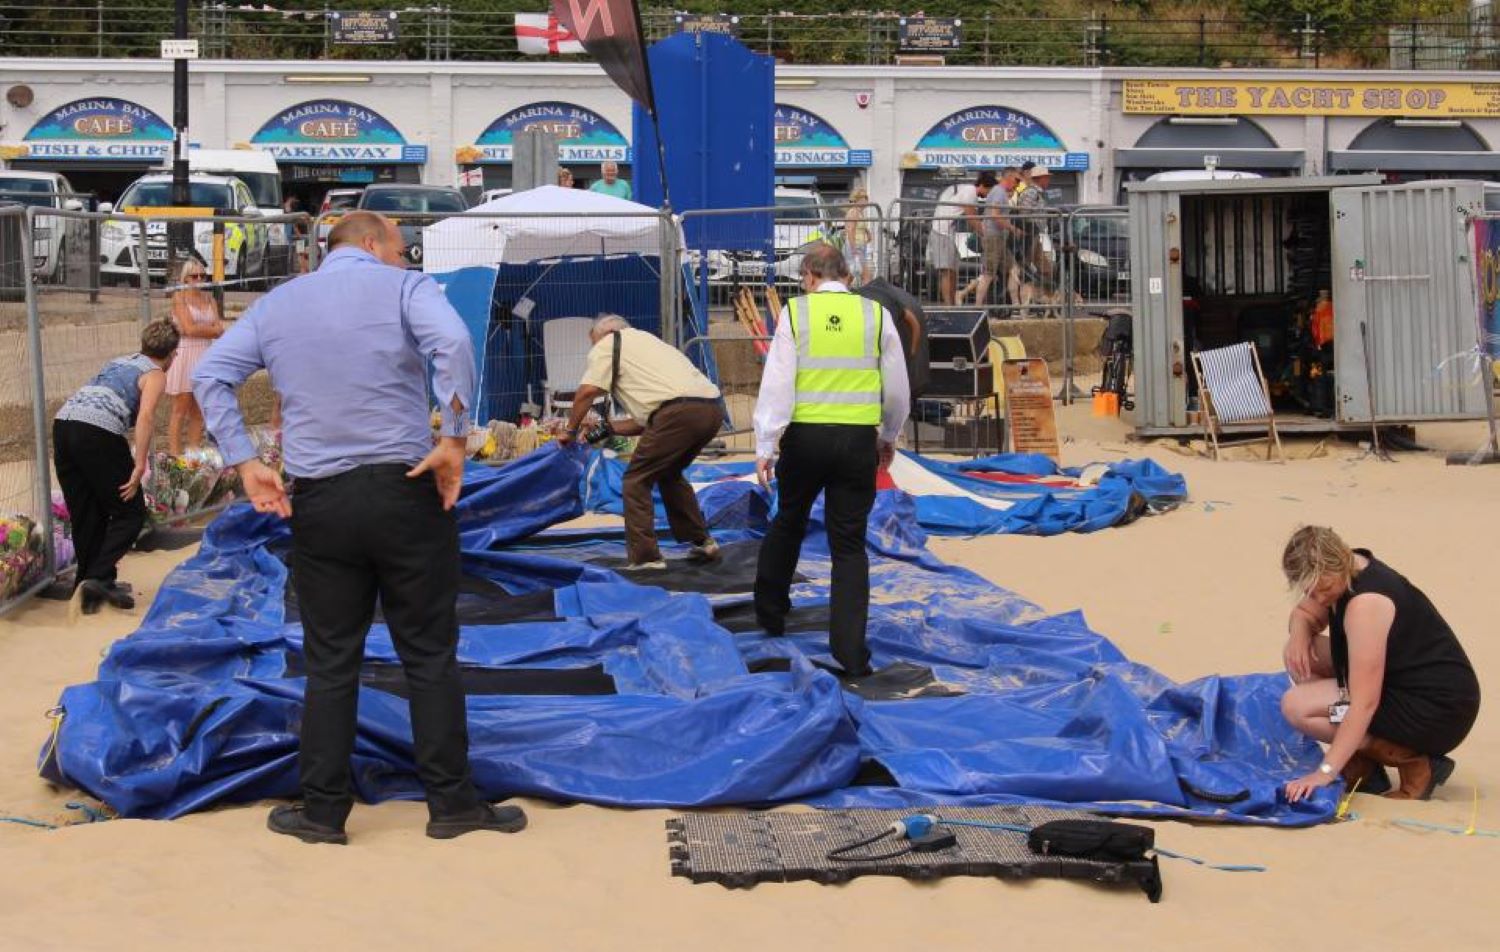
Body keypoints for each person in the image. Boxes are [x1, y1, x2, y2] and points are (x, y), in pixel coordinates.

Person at [193, 210, 525, 845]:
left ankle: (322, 812)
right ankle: (453, 804)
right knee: (428, 652)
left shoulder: (277, 304)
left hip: (320, 499)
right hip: (404, 490)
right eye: (400, 250)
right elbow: (452, 346)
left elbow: (211, 375)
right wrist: (454, 438)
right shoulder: (403, 289)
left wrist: (244, 460)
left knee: (330, 660)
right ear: (374, 245)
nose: (404, 261)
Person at [753, 243, 910, 679]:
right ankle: (850, 651)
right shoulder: (875, 315)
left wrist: (766, 442)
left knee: (788, 521)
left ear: (808, 275)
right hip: (857, 439)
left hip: (805, 438)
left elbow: (778, 382)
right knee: (848, 545)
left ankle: (770, 613)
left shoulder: (795, 313)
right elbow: (897, 387)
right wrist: (889, 435)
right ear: (848, 274)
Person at [1279, 526, 1480, 802]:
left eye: (1324, 589)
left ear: (1340, 564)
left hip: (1437, 709)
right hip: (1400, 682)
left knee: (1297, 707)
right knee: (1304, 654)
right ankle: (1365, 765)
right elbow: (1303, 613)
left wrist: (1324, 772)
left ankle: (1412, 762)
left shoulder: (1366, 605)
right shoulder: (1347, 566)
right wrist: (1299, 635)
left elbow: (1364, 704)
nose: (1320, 599)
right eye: (1310, 591)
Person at [556, 315, 723, 571]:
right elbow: (653, 421)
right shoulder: (652, 344)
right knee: (668, 473)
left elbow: (587, 392)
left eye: (594, 343)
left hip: (677, 414)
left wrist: (570, 429)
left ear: (608, 332)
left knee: (635, 479)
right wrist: (608, 428)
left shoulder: (610, 343)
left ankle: (646, 559)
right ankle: (703, 542)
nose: (594, 351)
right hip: (711, 411)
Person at [53, 320, 179, 613]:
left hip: (64, 425)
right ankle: (97, 578)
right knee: (130, 511)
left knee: (88, 511)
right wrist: (138, 465)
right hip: (98, 431)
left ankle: (88, 589)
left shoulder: (121, 361)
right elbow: (146, 417)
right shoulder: (155, 373)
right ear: (172, 353)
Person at [165, 257, 225, 456]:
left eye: (202, 275)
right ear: (186, 278)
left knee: (200, 408)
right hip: (185, 354)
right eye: (194, 276)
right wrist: (208, 329)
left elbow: (219, 329)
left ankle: (193, 452)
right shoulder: (179, 298)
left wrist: (200, 329)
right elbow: (190, 329)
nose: (199, 279)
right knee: (180, 408)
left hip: (205, 354)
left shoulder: (209, 299)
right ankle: (174, 455)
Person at [926, 172, 995, 306]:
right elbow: (971, 217)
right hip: (941, 231)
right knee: (947, 271)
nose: (988, 195)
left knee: (952, 271)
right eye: (989, 191)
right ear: (982, 185)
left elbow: (973, 217)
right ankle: (948, 305)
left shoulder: (970, 193)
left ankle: (952, 302)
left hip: (947, 232)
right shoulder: (969, 192)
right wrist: (985, 234)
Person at [843, 187, 877, 286]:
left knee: (850, 275)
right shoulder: (853, 212)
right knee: (866, 276)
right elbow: (850, 231)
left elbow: (859, 226)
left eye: (865, 198)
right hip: (855, 246)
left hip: (860, 246)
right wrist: (854, 250)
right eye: (862, 198)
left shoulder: (859, 212)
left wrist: (868, 233)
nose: (865, 201)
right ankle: (866, 298)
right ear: (856, 199)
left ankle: (841, 292)